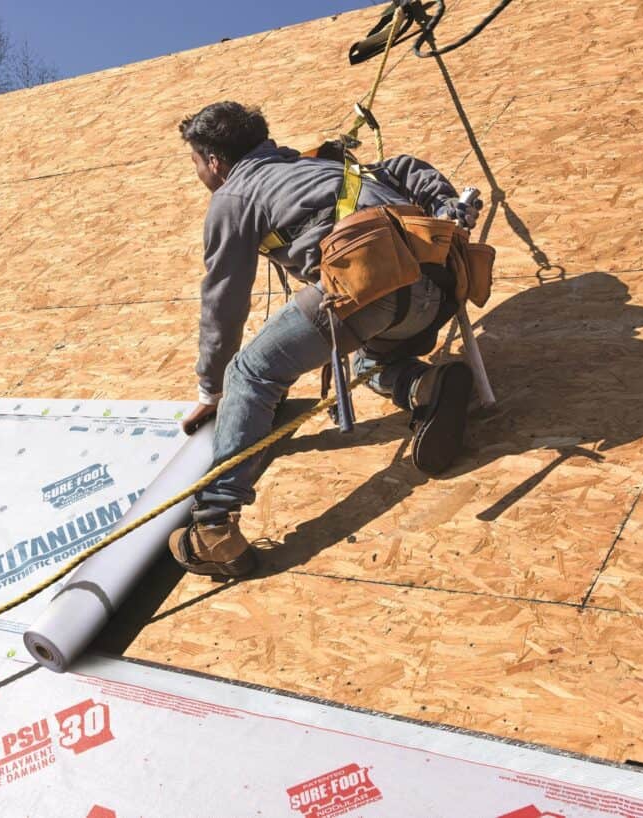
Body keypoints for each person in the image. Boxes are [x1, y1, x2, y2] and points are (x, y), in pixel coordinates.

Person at [169, 101, 478, 579]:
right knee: (354, 365)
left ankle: (213, 527)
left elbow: (222, 306)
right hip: (434, 295)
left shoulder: (233, 197)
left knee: (249, 372)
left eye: (194, 162)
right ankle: (423, 388)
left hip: (368, 291)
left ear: (213, 161)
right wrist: (445, 205)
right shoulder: (318, 161)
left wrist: (213, 391)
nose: (197, 173)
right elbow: (403, 167)